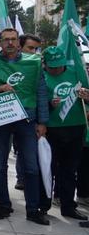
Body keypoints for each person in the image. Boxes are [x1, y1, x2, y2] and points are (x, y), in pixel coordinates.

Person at [0, 28, 49, 225]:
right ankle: (2, 205)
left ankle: (33, 209)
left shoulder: (33, 62)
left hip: (27, 119)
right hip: (0, 117)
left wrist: (42, 121)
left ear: (18, 42)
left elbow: (41, 92)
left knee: (31, 167)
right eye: (5, 40)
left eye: (13, 40)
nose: (10, 43)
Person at [41, 46, 89, 221]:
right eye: (52, 66)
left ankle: (68, 206)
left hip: (76, 127)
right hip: (51, 129)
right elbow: (36, 102)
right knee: (48, 169)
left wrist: (86, 96)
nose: (56, 69)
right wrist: (48, 105)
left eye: (59, 65)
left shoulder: (77, 73)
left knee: (70, 170)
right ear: (45, 64)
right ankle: (43, 206)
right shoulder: (40, 76)